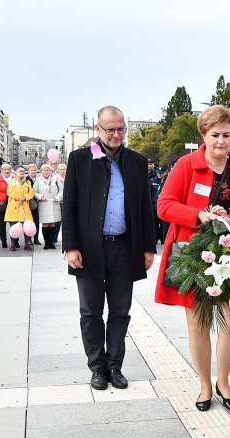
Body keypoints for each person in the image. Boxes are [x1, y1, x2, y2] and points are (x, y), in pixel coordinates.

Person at [154, 105, 230, 410]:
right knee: (198, 323)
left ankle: (224, 381)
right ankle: (204, 384)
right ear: (204, 134)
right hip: (194, 254)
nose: (221, 141)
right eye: (215, 134)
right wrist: (199, 216)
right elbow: (165, 205)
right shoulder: (186, 166)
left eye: (226, 135)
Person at [64, 105, 157, 391]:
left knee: (120, 310)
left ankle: (115, 365)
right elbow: (68, 205)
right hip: (89, 249)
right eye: (110, 129)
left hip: (124, 247)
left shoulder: (137, 162)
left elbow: (145, 208)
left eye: (120, 129)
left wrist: (147, 247)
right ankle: (97, 367)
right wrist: (71, 246)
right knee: (90, 312)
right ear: (98, 129)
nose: (116, 134)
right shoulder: (80, 159)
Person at [33, 163, 62, 250]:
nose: (46, 172)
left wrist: (57, 197)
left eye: (48, 170)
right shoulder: (38, 180)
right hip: (44, 204)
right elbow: (34, 192)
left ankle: (52, 243)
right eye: (44, 170)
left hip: (54, 203)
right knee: (45, 224)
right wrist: (41, 197)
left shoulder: (56, 179)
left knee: (53, 224)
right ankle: (46, 243)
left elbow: (62, 190)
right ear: (41, 171)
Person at [5, 166, 34, 251]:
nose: (22, 173)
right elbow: (9, 192)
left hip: (25, 207)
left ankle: (26, 244)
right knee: (13, 227)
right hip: (14, 207)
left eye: (23, 171)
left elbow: (31, 193)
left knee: (27, 227)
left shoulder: (28, 182)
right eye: (20, 171)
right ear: (16, 173)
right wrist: (19, 197)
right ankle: (13, 244)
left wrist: (24, 197)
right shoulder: (12, 181)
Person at [27, 163, 42, 245]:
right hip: (29, 203)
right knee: (29, 222)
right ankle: (29, 239)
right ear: (28, 171)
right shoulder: (26, 179)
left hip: (39, 202)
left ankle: (36, 239)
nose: (33, 171)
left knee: (37, 221)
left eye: (34, 170)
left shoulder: (39, 179)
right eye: (31, 170)